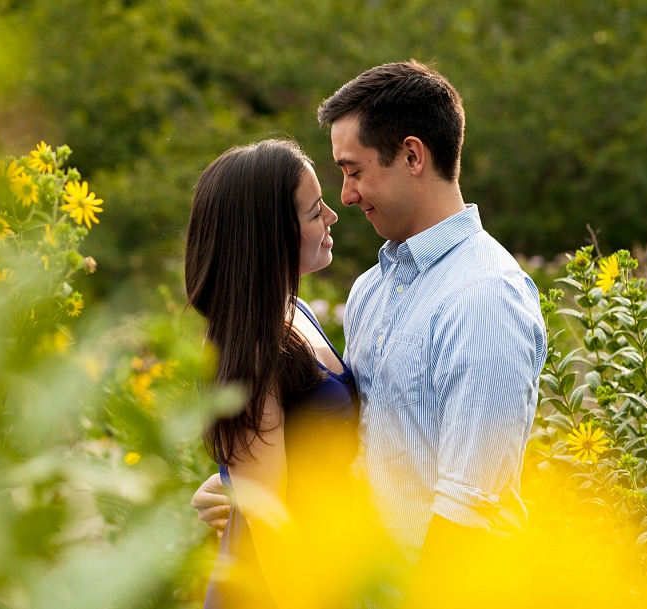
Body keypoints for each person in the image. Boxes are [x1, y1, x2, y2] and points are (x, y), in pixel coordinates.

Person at [192, 61, 547, 608]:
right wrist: (243, 487)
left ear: (411, 155)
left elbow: (470, 509)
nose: (346, 197)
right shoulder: (369, 292)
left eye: (353, 171)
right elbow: (349, 445)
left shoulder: (485, 295)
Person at [186, 139, 385, 609]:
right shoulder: (247, 348)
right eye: (315, 212)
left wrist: (229, 482)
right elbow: (272, 528)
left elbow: (275, 456)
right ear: (271, 233)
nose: (332, 216)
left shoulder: (291, 312)